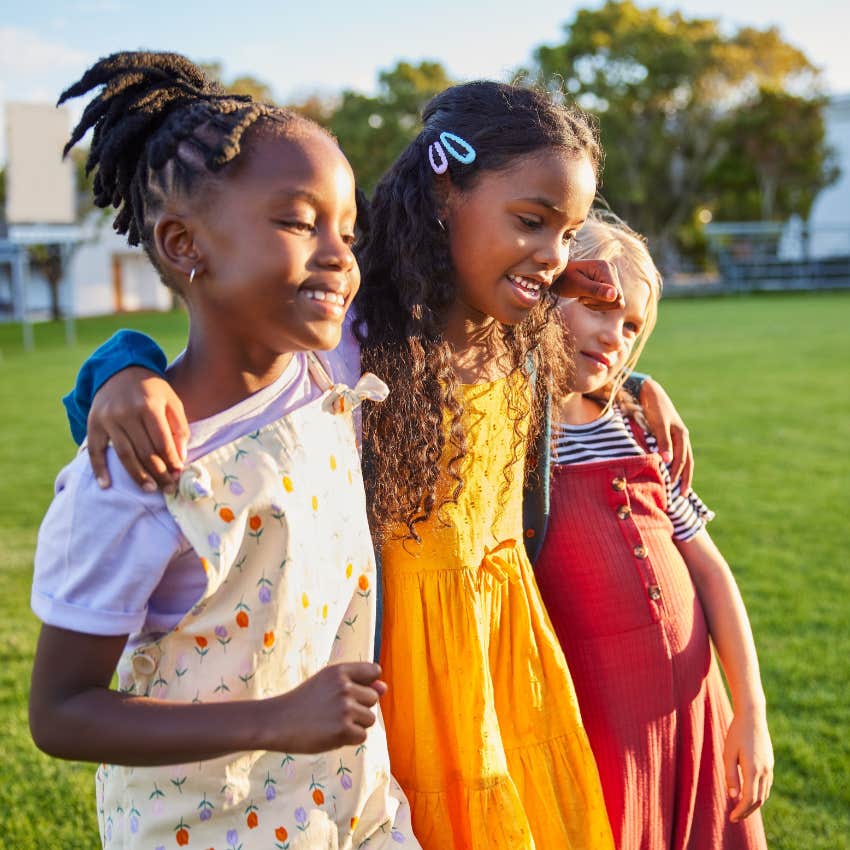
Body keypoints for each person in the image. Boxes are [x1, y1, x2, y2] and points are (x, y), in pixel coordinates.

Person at [60, 82, 692, 850]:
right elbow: (220, 365)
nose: (554, 252)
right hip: (400, 672)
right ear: (442, 193)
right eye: (532, 222)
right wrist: (121, 369)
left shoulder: (523, 336)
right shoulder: (352, 342)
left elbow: (579, 351)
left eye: (567, 232)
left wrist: (634, 387)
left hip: (510, 657)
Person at [29, 52, 420, 850]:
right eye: (297, 221)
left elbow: (469, 316)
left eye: (346, 228)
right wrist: (277, 719)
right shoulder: (135, 479)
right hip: (207, 830)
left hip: (355, 810)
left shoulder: (325, 374)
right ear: (183, 244)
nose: (341, 256)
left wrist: (624, 385)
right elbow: (60, 712)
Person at [533, 213, 773, 850]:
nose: (614, 334)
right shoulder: (514, 441)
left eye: (632, 324)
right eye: (596, 305)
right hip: (604, 724)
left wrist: (750, 710)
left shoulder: (639, 424)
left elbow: (712, 571)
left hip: (698, 704)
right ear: (545, 288)